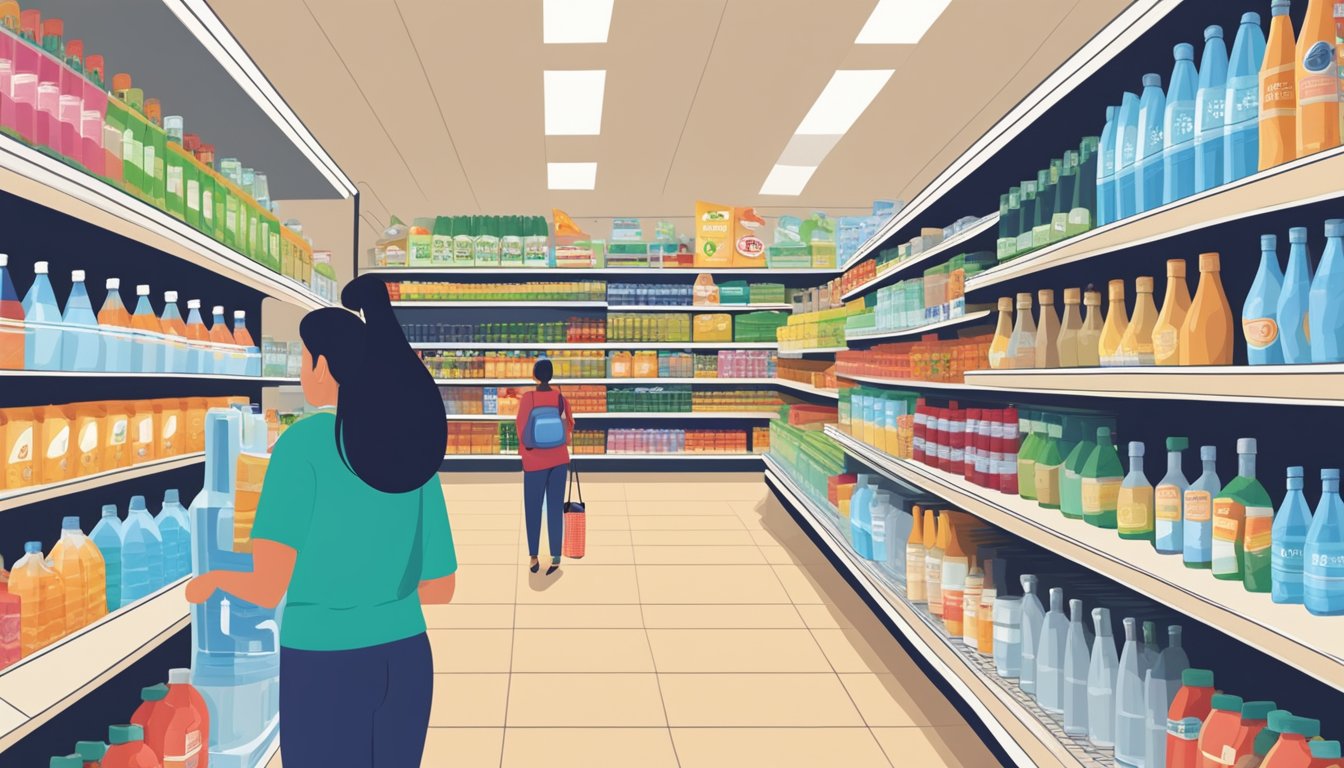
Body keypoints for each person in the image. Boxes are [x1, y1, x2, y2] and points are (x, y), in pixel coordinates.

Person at [185, 274, 456, 768]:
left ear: (323, 366)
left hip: (325, 666)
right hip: (407, 659)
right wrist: (376, 596)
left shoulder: (302, 448)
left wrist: (213, 579)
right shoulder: (411, 451)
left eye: (305, 360)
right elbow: (441, 586)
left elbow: (268, 587)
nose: (302, 371)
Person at [516, 357, 574, 575]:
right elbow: (570, 423)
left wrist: (526, 452)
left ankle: (533, 557)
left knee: (533, 508)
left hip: (534, 462)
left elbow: (521, 428)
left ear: (534, 375)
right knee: (554, 508)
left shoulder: (528, 398)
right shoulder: (559, 397)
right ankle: (556, 556)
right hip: (559, 459)